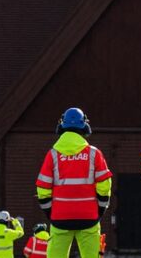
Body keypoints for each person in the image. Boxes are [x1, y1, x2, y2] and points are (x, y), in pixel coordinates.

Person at [37, 108, 112, 258]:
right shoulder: (94, 153)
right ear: (84, 126)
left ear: (62, 126)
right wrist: (100, 210)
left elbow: (43, 188)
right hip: (89, 218)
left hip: (60, 218)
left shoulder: (52, 154)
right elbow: (104, 185)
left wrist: (51, 213)